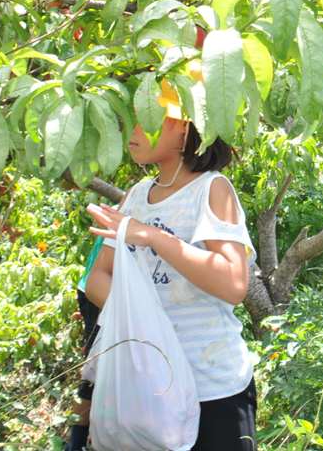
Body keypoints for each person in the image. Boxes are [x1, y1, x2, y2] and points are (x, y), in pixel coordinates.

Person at [84, 67, 256, 451]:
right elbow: (98, 278)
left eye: (146, 118)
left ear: (184, 127)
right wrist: (148, 323)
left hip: (212, 385)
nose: (132, 131)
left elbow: (233, 284)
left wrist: (154, 238)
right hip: (151, 387)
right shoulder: (137, 196)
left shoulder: (212, 190)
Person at [63, 238, 104, 451]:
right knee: (93, 371)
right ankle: (76, 443)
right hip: (96, 291)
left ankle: (78, 440)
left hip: (94, 289)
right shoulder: (134, 209)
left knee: (94, 368)